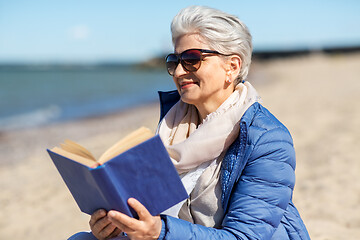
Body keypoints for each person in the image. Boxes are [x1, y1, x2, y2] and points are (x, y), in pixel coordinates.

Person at [71, 5, 310, 240]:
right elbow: (149, 216)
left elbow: (245, 236)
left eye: (191, 59)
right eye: (174, 61)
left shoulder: (267, 138)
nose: (178, 72)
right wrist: (117, 224)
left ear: (232, 66)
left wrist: (159, 232)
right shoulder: (172, 125)